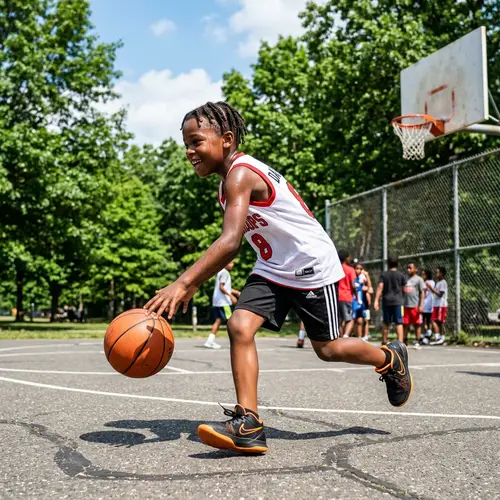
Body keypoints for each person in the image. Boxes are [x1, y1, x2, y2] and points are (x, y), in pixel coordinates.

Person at [144, 101, 413, 454]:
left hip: (309, 265)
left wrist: (184, 283)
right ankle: (249, 424)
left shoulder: (241, 174)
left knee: (328, 350)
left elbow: (229, 243)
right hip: (273, 267)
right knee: (239, 326)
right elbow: (236, 244)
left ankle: (389, 358)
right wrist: (192, 281)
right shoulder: (225, 186)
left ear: (226, 139)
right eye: (186, 145)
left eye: (196, 142)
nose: (190, 152)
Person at [206, 261, 240, 349]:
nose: (233, 265)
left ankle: (210, 340)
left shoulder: (220, 272)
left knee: (218, 320)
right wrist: (231, 296)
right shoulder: (225, 272)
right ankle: (236, 341)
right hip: (223, 302)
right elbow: (222, 288)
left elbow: (225, 288)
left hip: (218, 301)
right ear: (226, 263)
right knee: (231, 320)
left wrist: (236, 292)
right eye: (231, 263)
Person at [374, 256, 406, 345]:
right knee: (399, 322)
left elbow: (380, 286)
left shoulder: (384, 274)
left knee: (386, 322)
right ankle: (400, 342)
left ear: (388, 264)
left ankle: (384, 341)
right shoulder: (401, 275)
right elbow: (404, 289)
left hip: (386, 301)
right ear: (398, 263)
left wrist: (376, 300)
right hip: (398, 302)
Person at [403, 263, 426, 348]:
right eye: (408, 268)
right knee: (405, 324)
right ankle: (404, 340)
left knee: (417, 324)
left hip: (415, 305)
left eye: (410, 268)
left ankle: (417, 340)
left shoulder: (419, 279)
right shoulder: (405, 278)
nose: (408, 269)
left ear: (415, 269)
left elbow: (422, 293)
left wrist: (421, 305)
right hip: (405, 305)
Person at [425, 267, 448, 345]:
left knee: (440, 321)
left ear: (442, 273)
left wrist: (431, 288)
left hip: (441, 305)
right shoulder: (438, 283)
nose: (436, 274)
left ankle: (441, 337)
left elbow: (440, 294)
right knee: (434, 320)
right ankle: (438, 337)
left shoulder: (443, 282)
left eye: (437, 272)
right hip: (436, 305)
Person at [338, 250, 356, 338]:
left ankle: (340, 338)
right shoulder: (350, 269)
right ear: (346, 258)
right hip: (346, 296)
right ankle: (345, 336)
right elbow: (353, 285)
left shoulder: (336, 268)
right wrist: (356, 293)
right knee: (350, 319)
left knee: (339, 320)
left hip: (336, 297)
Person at [352, 262, 370, 340]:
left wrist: (367, 275)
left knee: (360, 320)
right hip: (353, 302)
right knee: (352, 320)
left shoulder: (362, 278)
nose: (359, 270)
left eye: (360, 269)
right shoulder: (352, 278)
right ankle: (347, 337)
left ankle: (359, 338)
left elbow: (369, 287)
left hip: (361, 303)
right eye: (357, 268)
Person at [420, 269, 435, 344]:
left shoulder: (431, 282)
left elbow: (433, 291)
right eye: (422, 274)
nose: (422, 276)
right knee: (422, 321)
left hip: (429, 304)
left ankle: (428, 335)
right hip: (423, 305)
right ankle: (423, 335)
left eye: (424, 274)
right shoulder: (421, 282)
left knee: (429, 320)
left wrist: (428, 286)